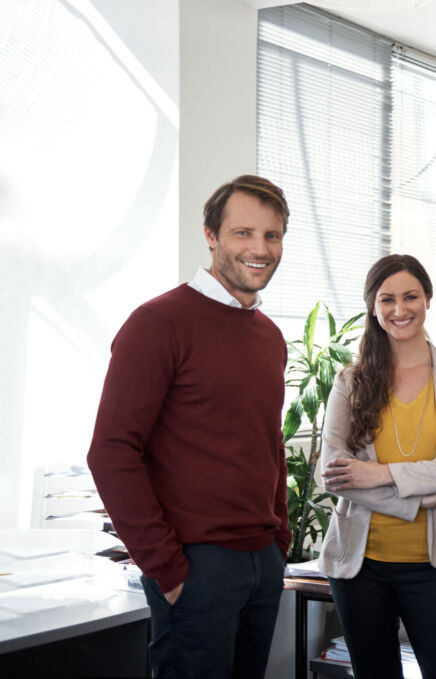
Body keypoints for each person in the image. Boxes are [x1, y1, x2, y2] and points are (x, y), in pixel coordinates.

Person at [87, 175, 291, 679]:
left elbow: (268, 444)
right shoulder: (158, 323)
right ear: (211, 235)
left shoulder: (268, 335)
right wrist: (167, 567)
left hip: (260, 562)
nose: (259, 249)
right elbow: (111, 450)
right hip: (196, 567)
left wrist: (278, 542)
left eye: (272, 235)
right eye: (244, 233)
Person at [318, 254, 436, 679]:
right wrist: (416, 501)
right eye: (387, 299)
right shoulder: (350, 381)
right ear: (373, 308)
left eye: (411, 296)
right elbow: (334, 471)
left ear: (428, 299)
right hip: (361, 567)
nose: (400, 310)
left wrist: (384, 474)